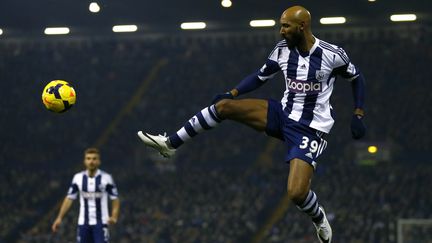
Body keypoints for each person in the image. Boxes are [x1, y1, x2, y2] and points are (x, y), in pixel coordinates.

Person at [137, 5, 366, 243]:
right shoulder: (281, 51)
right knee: (224, 107)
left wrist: (358, 113)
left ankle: (319, 218)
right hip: (282, 113)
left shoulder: (332, 54)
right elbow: (260, 76)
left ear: (302, 26)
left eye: (286, 26)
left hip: (310, 129)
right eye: (280, 26)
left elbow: (357, 78)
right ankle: (170, 143)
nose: (281, 31)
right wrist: (232, 92)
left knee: (296, 193)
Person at [52, 148, 120, 243]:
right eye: (88, 158)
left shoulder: (106, 178)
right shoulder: (78, 178)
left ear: (99, 161)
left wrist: (114, 216)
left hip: (101, 223)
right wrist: (59, 217)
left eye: (94, 158)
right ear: (84, 161)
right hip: (83, 223)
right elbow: (69, 199)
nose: (91, 161)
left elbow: (115, 198)